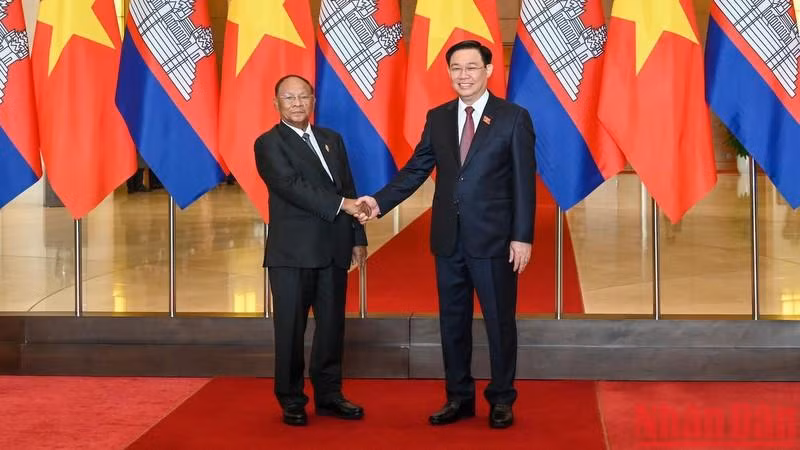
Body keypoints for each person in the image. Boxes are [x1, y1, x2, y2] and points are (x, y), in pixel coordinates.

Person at [356, 40, 535, 429]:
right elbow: (415, 169)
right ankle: (459, 398)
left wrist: (522, 236)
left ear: (489, 70)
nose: (464, 75)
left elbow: (524, 183)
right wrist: (378, 202)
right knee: (452, 322)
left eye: (472, 67)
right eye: (456, 68)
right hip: (448, 240)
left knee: (499, 322)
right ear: (448, 73)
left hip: (495, 242)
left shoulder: (513, 118)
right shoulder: (438, 117)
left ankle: (502, 399)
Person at [255, 74, 370, 426]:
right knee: (290, 330)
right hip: (292, 254)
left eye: (303, 96)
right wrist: (345, 205)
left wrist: (358, 238)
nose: (296, 103)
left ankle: (330, 395)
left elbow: (348, 185)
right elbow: (292, 187)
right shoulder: (268, 144)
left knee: (332, 327)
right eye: (288, 97)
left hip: (334, 249)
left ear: (312, 101)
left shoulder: (331, 139)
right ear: (276, 104)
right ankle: (291, 398)